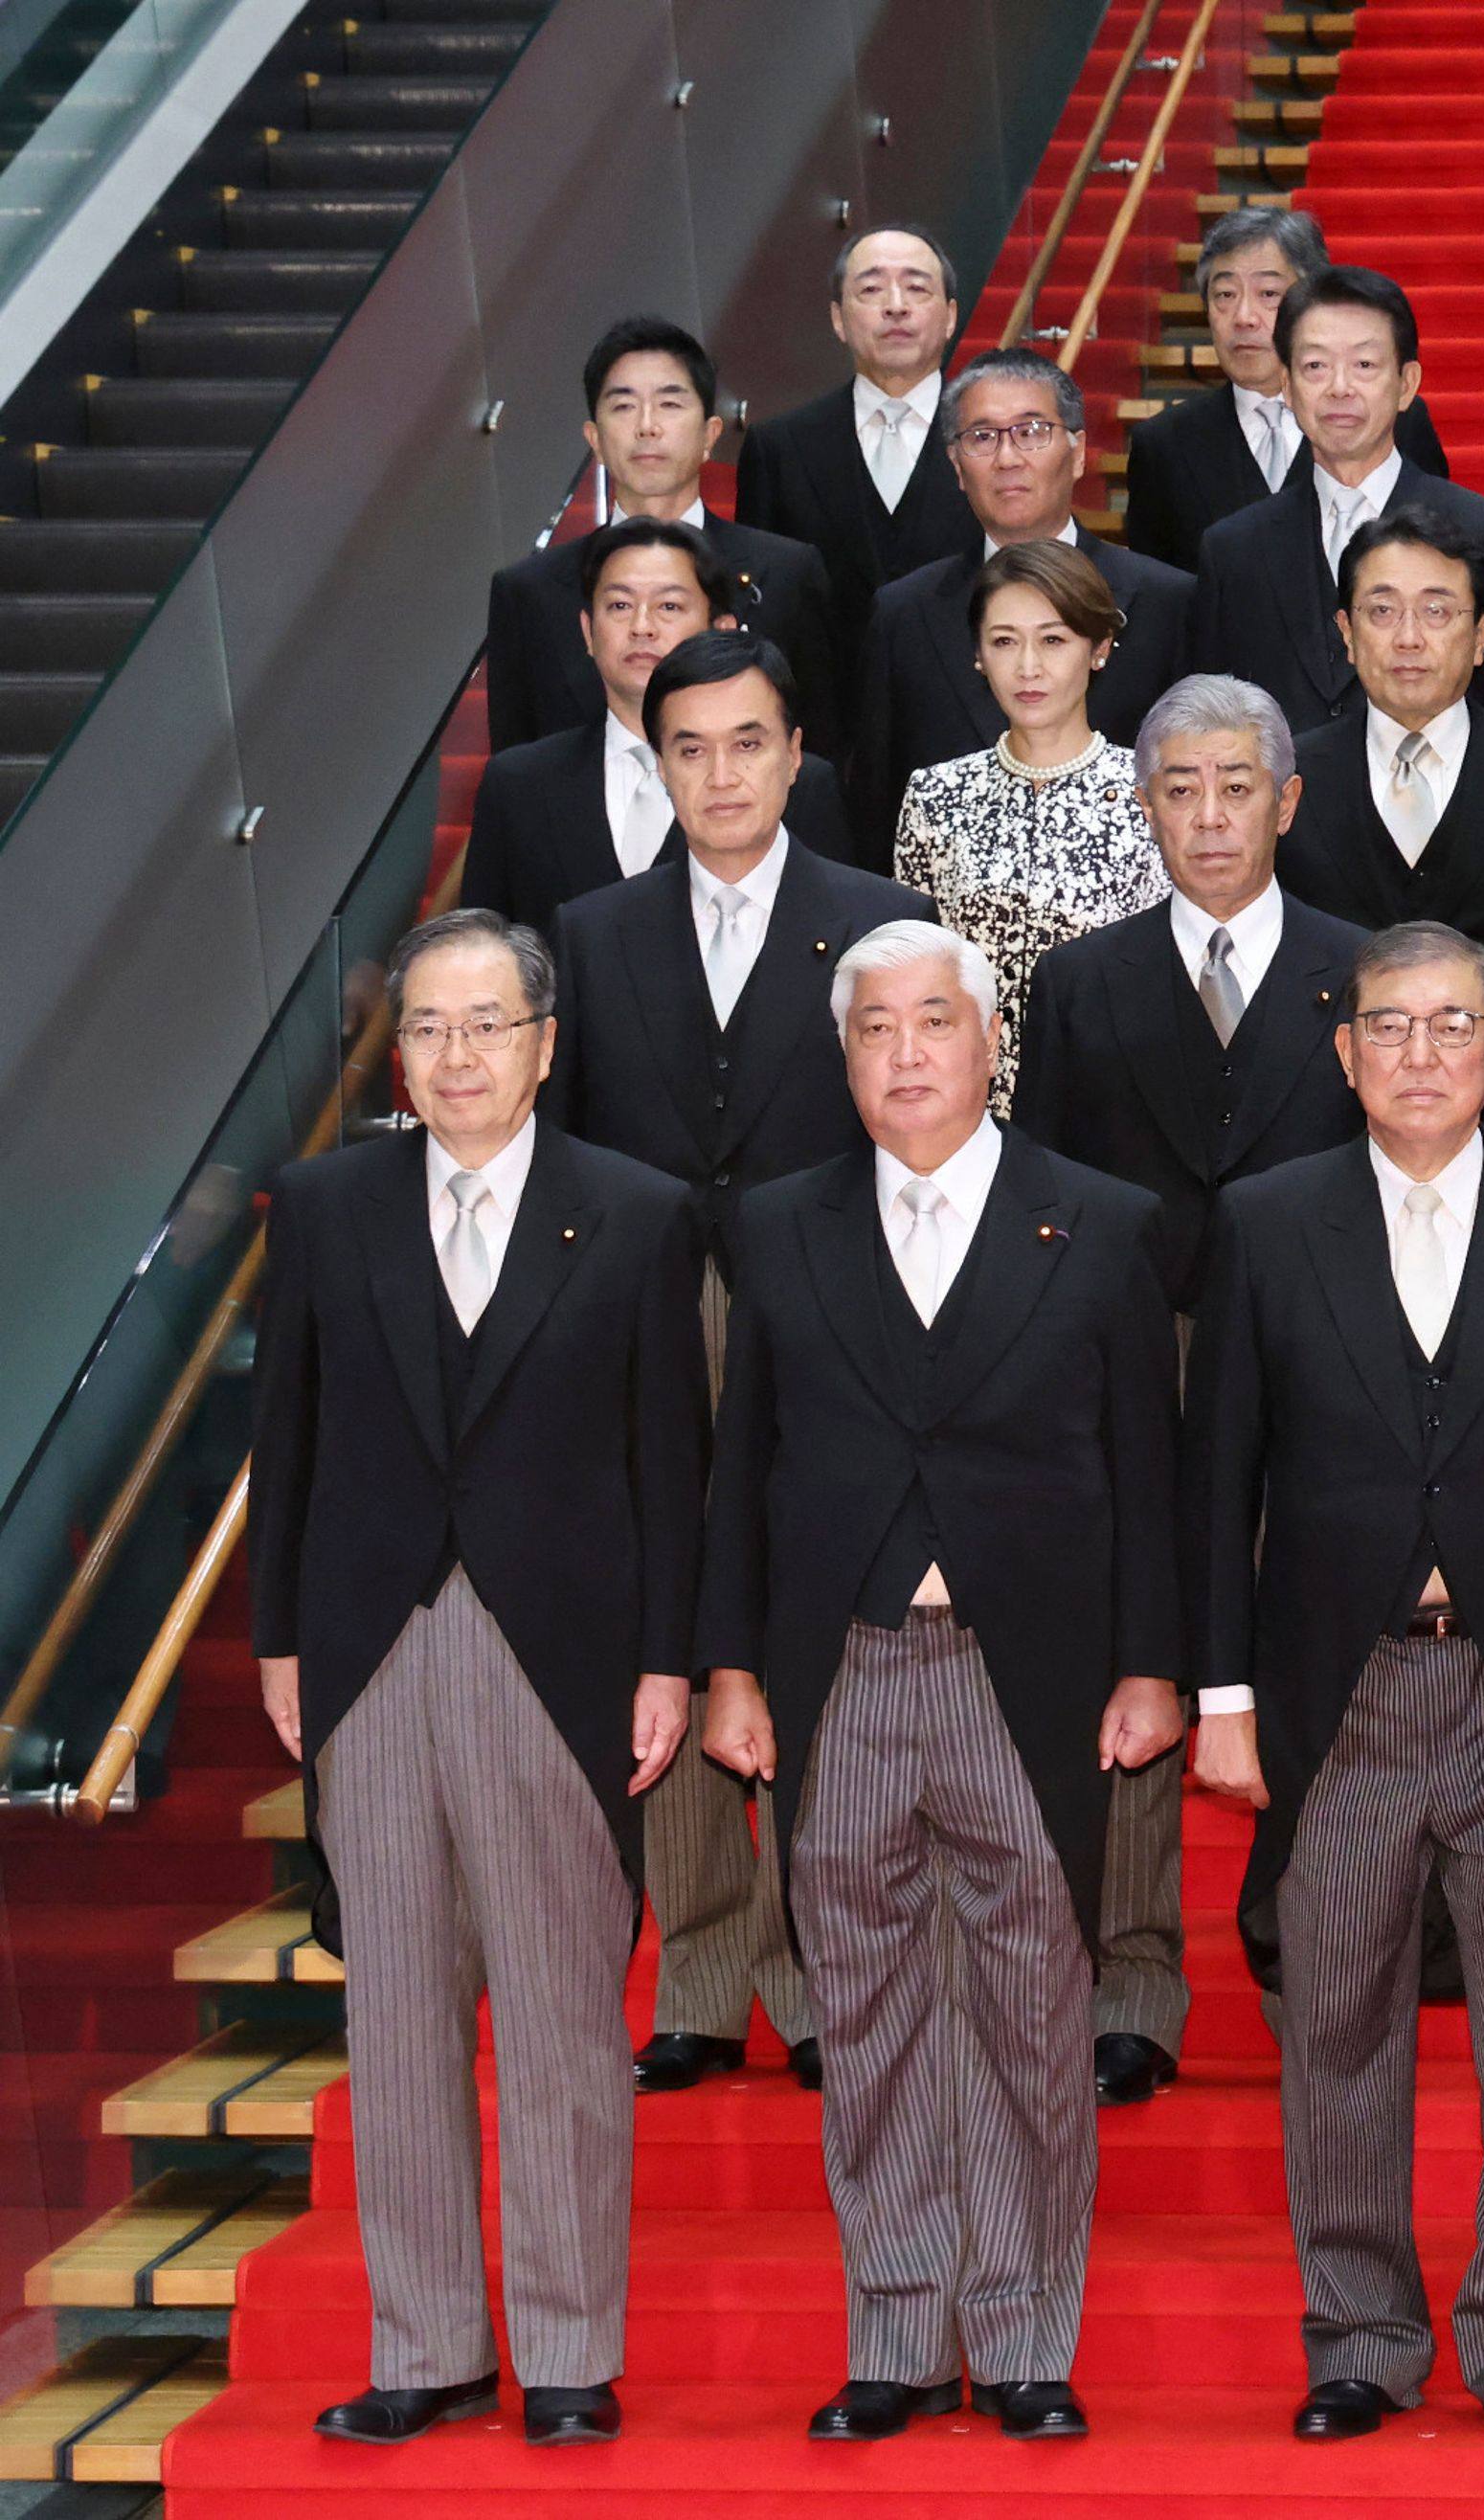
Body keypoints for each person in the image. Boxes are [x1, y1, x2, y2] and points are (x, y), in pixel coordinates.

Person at [698, 922, 1183, 2444]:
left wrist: (1152, 1663)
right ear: (840, 1059)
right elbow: (741, 1471)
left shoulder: (1096, 1223)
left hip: (1024, 1675)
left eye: (934, 1023)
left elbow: (1146, 1470)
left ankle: (1029, 2337)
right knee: (869, 2007)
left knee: (1039, 2014)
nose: (906, 1054)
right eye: (873, 1031)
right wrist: (730, 1667)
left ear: (992, 1046)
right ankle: (899, 2335)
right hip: (838, 1670)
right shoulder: (778, 1225)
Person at [1183, 920, 1484, 2449]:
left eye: (1453, 1028)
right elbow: (1220, 1479)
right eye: (1389, 1027)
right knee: (1336, 2034)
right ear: (1343, 1052)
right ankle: (1360, 2336)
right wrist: (1223, 1696)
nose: (1421, 1055)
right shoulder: (1267, 1222)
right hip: (1339, 1689)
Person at [251, 907, 705, 2449]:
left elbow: (671, 1457)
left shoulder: (634, 1213)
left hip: (560, 1653)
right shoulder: (323, 1208)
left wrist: (665, 1660)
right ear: (402, 1054)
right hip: (370, 1645)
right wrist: (280, 1645)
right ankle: (427, 2341)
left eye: (485, 1025)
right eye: (427, 1029)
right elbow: (288, 1443)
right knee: (396, 2013)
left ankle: (572, 2350)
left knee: (570, 2016)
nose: (454, 1056)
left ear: (543, 1044)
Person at [545, 629, 937, 2099]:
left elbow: (911, 1119)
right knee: (672, 1625)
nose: (722, 773)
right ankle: (705, 1974)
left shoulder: (883, 918)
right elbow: (570, 1150)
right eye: (689, 748)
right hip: (645, 1332)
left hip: (823, 1318)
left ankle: (833, 1974)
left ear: (795, 753)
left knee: (809, 1635)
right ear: (658, 764)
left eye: (749, 742)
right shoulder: (593, 933)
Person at [1010, 673, 1367, 2104]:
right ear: (1139, 804)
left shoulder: (1366, 972)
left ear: (1286, 801)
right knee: (1138, 1653)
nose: (1209, 817)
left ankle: (1313, 1947)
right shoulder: (1081, 980)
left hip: (1324, 1351)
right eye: (1179, 789)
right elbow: (1038, 1195)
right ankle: (1133, 1977)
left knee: (1317, 1636)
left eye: (1237, 788)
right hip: (1131, 1358)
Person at [1282, 509, 1484, 1092]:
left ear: (1483, 635)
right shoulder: (1290, 777)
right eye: (1381, 611)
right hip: (1323, 1114)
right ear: (1346, 634)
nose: (1409, 637)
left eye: (1437, 611)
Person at [850, 348, 1196, 860]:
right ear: (956, 466)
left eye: (1032, 431)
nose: (1008, 458)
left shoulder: (1167, 601)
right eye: (982, 437)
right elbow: (874, 803)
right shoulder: (904, 612)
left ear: (1078, 452)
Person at [1188, 266, 1484, 731]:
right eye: (1315, 366)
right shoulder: (1233, 548)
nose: (1339, 388)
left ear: (1407, 384)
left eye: (1364, 365)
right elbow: (1209, 723)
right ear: (1288, 387)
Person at [461, 517, 849, 940]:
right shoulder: (518, 784)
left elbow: (834, 934)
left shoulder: (800, 782)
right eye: (620, 606)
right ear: (588, 632)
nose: (641, 627)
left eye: (669, 606)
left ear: (720, 629)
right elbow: (481, 950)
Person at [890, 540, 1169, 1112]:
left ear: (1099, 649)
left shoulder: (1155, 795)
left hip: (1116, 1101)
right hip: (965, 1107)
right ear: (977, 654)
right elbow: (914, 973)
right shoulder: (934, 795)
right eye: (1004, 642)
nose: (1028, 668)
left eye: (1052, 640)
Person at [484, 315, 844, 756]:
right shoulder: (528, 593)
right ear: (594, 439)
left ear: (711, 434)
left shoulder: (788, 573)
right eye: (623, 406)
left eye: (670, 405)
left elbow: (819, 752)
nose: (647, 426)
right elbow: (516, 775)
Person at [1122, 206, 1449, 575]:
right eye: (1225, 295)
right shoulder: (1164, 444)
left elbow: (1439, 559)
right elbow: (1157, 594)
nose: (1244, 316)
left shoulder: (1392, 417)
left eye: (1269, 293)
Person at [734, 227, 974, 669]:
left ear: (950, 316)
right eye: (871, 289)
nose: (896, 305)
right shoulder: (779, 448)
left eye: (917, 288)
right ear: (838, 319)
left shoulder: (992, 436)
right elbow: (762, 609)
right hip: (824, 722)